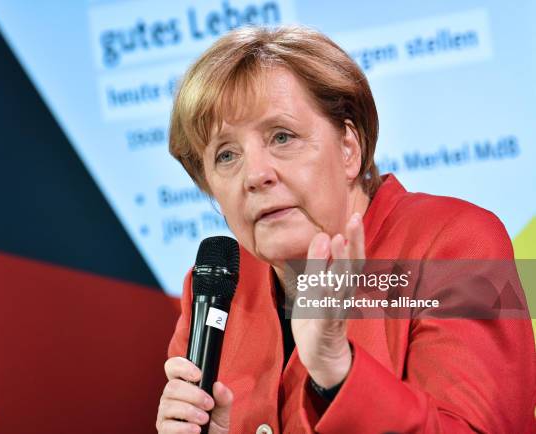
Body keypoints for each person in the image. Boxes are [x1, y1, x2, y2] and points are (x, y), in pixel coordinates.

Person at [155, 25, 535, 433]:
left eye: (282, 137)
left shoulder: (457, 243)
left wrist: (339, 373)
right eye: (227, 155)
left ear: (349, 148)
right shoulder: (214, 290)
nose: (255, 175)